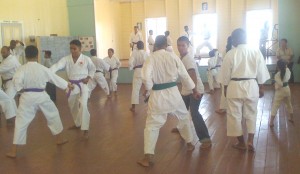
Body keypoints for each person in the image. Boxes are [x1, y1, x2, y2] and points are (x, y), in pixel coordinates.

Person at [137, 35, 195, 167]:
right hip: (174, 93)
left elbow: (145, 77)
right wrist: (193, 89)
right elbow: (184, 75)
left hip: (158, 95)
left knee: (152, 125)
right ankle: (190, 143)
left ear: (155, 45)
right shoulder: (173, 56)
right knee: (184, 117)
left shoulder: (151, 58)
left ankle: (148, 157)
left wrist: (149, 89)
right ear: (166, 45)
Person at [6, 45, 73, 158]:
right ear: (37, 55)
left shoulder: (21, 69)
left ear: (25, 56)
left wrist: (20, 89)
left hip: (27, 96)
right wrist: (67, 84)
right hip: (42, 95)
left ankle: (13, 150)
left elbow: (16, 82)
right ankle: (59, 139)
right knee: (53, 115)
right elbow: (54, 78)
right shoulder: (42, 68)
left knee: (21, 122)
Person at [220, 28, 270, 152]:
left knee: (234, 116)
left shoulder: (230, 54)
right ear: (245, 38)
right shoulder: (255, 51)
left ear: (235, 39)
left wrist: (225, 88)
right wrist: (261, 87)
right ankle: (250, 141)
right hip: (252, 86)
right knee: (251, 114)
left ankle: (241, 142)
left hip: (234, 87)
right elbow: (261, 72)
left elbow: (225, 75)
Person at [50, 40, 96, 139]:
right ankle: (77, 123)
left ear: (80, 48)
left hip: (83, 84)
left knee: (83, 105)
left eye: (74, 48)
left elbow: (93, 68)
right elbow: (57, 66)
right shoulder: (66, 59)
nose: (72, 50)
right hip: (71, 85)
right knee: (73, 107)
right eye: (71, 48)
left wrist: (88, 77)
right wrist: (47, 72)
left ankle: (85, 128)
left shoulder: (86, 59)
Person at [174, 36, 212, 149]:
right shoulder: (182, 58)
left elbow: (192, 75)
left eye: (183, 45)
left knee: (194, 113)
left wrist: (195, 91)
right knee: (181, 110)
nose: (181, 48)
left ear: (188, 46)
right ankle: (181, 127)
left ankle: (205, 139)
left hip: (195, 89)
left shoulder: (188, 59)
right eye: (179, 45)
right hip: (187, 89)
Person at [0, 46, 21, 124]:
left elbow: (1, 69)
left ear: (9, 51)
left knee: (6, 99)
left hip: (13, 82)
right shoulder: (6, 59)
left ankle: (11, 118)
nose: (2, 54)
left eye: (4, 52)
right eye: (1, 52)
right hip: (8, 82)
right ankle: (16, 115)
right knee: (10, 99)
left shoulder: (11, 60)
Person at [269, 59, 293, 127]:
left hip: (280, 91)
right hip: (287, 89)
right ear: (285, 65)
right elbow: (283, 83)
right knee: (289, 104)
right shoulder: (288, 70)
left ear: (278, 67)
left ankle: (271, 122)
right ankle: (291, 118)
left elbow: (280, 84)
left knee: (275, 106)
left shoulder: (277, 75)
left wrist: (275, 84)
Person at [215, 36, 232, 115]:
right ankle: (227, 108)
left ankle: (223, 108)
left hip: (226, 72)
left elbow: (222, 60)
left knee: (224, 91)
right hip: (235, 74)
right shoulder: (236, 51)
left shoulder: (226, 51)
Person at [129, 41, 147, 112]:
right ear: (143, 46)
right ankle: (149, 101)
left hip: (137, 72)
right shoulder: (146, 53)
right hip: (145, 71)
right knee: (149, 86)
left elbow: (130, 62)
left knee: (135, 89)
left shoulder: (134, 53)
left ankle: (133, 107)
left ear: (137, 46)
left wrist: (131, 67)